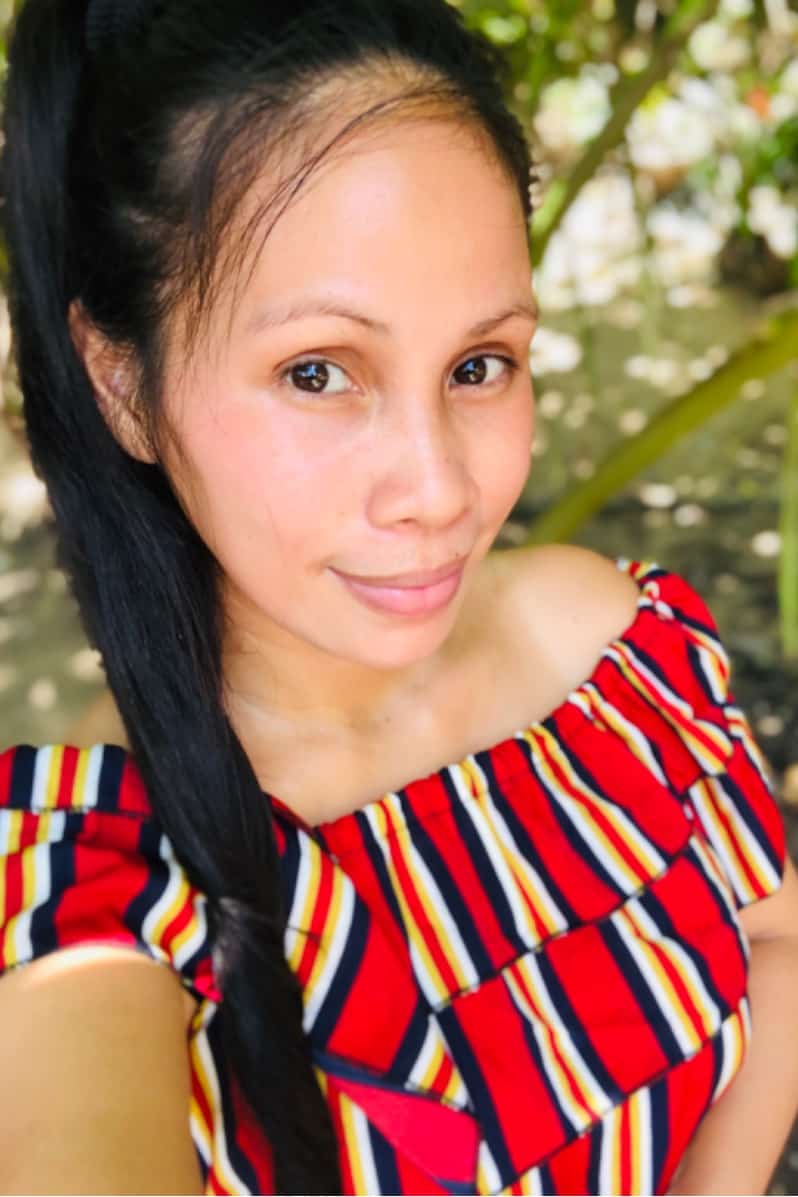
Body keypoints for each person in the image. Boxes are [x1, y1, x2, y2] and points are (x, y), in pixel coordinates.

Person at [0, 0, 796, 1193]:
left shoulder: (617, 649)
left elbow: (777, 936)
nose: (439, 489)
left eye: (479, 365)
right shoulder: (94, 882)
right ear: (122, 383)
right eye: (318, 372)